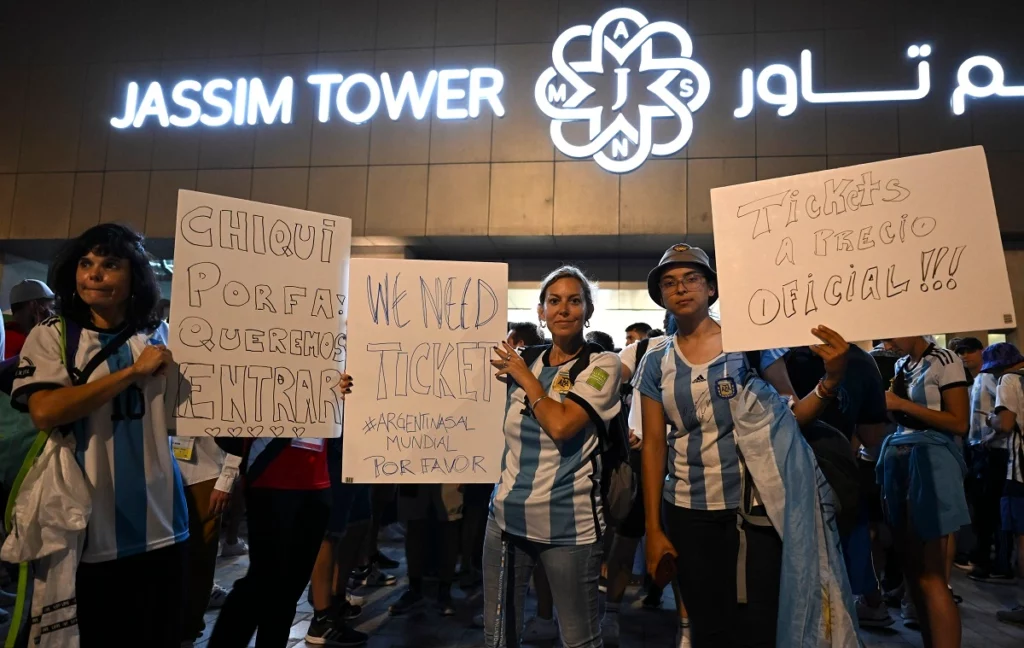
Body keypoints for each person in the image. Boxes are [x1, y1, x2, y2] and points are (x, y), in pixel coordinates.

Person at [638, 244, 851, 647]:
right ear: (662, 297)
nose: (680, 288)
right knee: (708, 625)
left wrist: (832, 380)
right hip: (686, 511)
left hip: (755, 510)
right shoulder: (655, 361)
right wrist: (653, 528)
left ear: (713, 290)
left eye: (692, 279)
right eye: (669, 283)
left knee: (759, 625)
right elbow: (653, 446)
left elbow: (794, 418)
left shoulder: (751, 347)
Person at [12, 223, 186, 647]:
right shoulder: (53, 336)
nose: (95, 274)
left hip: (165, 523)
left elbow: (199, 413)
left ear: (134, 276)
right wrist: (131, 373)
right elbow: (44, 411)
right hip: (89, 527)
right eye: (86, 264)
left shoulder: (159, 337)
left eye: (110, 264)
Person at [484, 266, 622, 648]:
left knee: (579, 640)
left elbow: (563, 426)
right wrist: (358, 388)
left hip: (568, 526)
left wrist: (526, 380)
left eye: (574, 301)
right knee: (498, 636)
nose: (564, 309)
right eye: (554, 301)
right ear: (541, 311)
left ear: (588, 311)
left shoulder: (601, 365)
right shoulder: (523, 359)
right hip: (506, 520)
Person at [210, 376, 354, 647]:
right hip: (271, 476)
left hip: (316, 480)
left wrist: (343, 389)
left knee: (290, 587)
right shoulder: (272, 345)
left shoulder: (333, 344)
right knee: (263, 580)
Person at [784, 344, 893, 627]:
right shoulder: (860, 360)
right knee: (837, 576)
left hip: (771, 480)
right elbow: (871, 435)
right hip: (836, 478)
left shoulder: (766, 353)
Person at [881, 335, 970, 648]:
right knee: (912, 570)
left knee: (931, 573)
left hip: (932, 460)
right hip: (900, 456)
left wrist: (900, 403)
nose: (886, 340)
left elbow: (959, 423)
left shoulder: (946, 360)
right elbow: (899, 416)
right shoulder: (901, 364)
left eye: (890, 333)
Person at [953, 337, 1015, 583]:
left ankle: (991, 563)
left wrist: (988, 437)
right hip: (980, 447)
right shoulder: (976, 380)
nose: (964, 356)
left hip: (993, 449)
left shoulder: (994, 378)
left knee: (990, 509)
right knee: (983, 507)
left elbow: (1004, 414)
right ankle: (987, 561)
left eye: (969, 351)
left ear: (982, 352)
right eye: (960, 352)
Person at [305, 438, 371, 647]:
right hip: (333, 448)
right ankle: (322, 618)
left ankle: (336, 600)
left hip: (357, 445)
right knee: (330, 533)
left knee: (359, 522)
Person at [176, 438, 241, 647]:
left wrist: (226, 479)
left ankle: (189, 632)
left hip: (206, 475)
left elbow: (239, 427)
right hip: (164, 474)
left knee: (200, 561)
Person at [980, 342, 1024, 625]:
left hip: (1021, 473)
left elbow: (1006, 423)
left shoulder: (1010, 380)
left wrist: (992, 420)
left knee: (1023, 540)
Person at [4, 279, 55, 359]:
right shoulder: (14, 341)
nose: (52, 313)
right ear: (34, 306)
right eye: (51, 307)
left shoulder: (9, 334)